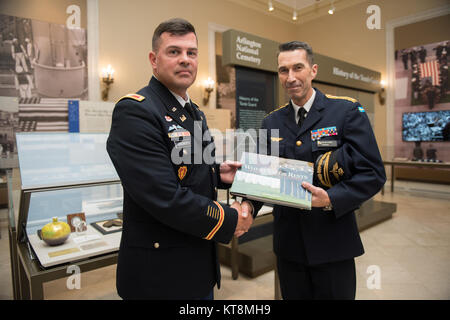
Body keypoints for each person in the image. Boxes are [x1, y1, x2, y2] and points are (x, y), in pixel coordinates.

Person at [106, 18, 253, 300]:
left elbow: (188, 169)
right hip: (159, 276)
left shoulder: (193, 112)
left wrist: (218, 173)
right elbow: (164, 196)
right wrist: (229, 218)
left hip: (198, 264)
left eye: (191, 53)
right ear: (154, 59)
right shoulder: (136, 111)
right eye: (174, 51)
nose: (185, 60)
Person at [245, 41, 386, 299]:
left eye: (298, 68)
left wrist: (331, 198)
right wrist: (246, 197)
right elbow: (263, 176)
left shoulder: (346, 111)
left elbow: (373, 173)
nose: (291, 77)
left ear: (313, 70)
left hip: (333, 244)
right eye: (283, 70)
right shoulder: (271, 122)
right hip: (289, 248)